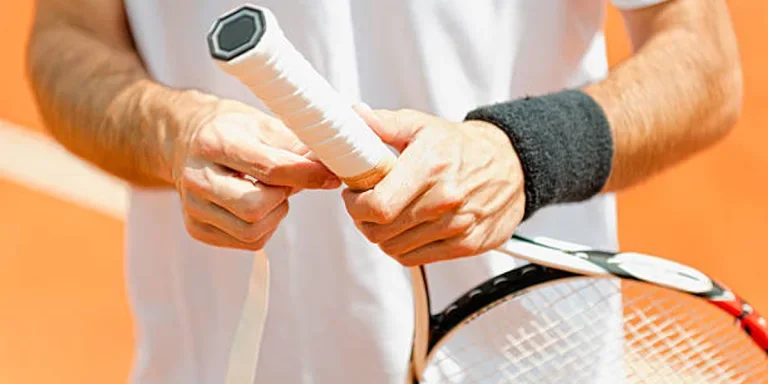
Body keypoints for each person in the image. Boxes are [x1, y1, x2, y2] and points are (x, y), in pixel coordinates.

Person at [27, 0, 741, 382]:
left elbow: (703, 60)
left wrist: (521, 154)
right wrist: (168, 131)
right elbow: (67, 35)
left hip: (519, 367)